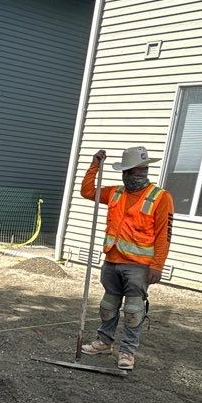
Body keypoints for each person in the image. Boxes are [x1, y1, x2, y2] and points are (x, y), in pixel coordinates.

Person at [79, 144, 173, 370]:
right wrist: (95, 166)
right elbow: (87, 191)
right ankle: (104, 342)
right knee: (108, 305)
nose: (134, 175)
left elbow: (164, 235)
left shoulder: (160, 198)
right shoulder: (115, 192)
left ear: (145, 171)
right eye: (130, 171)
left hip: (139, 266)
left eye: (139, 170)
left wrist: (157, 265)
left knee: (133, 310)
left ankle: (127, 352)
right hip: (112, 260)